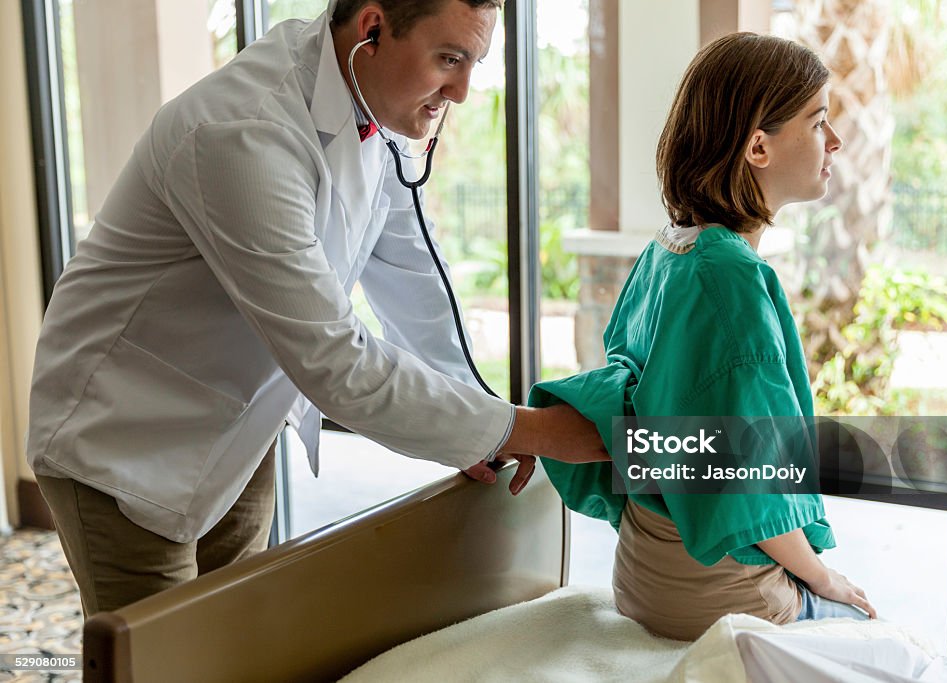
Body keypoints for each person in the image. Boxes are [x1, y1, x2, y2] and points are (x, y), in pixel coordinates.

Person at [26, 0, 606, 618]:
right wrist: (529, 429)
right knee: (162, 656)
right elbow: (335, 361)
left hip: (241, 427)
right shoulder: (241, 132)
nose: (463, 91)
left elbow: (416, 288)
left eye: (475, 63)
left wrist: (482, 425)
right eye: (449, 59)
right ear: (373, 28)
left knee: (235, 639)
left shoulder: (375, 108)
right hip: (126, 437)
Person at [530, 33, 877, 641]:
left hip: (640, 577)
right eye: (819, 122)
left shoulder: (667, 250)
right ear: (758, 146)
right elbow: (749, 481)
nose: (836, 141)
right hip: (720, 596)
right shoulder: (734, 279)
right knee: (878, 633)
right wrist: (822, 578)